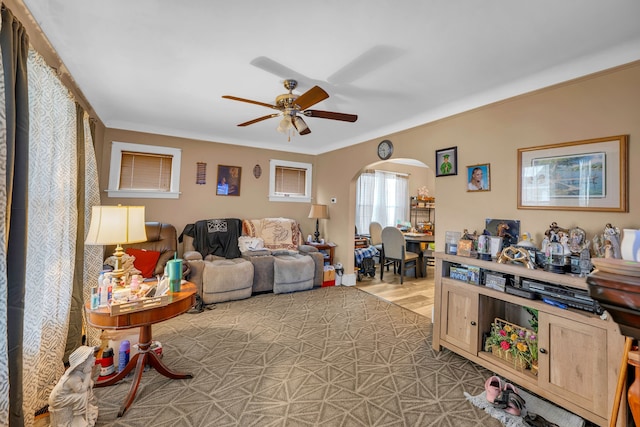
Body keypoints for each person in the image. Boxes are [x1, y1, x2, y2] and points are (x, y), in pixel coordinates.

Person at [48, 345, 99, 427]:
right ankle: (78, 419)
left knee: (85, 391)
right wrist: (88, 373)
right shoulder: (73, 377)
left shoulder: (79, 372)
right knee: (81, 396)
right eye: (91, 359)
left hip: (63, 397)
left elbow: (88, 383)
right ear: (82, 363)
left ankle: (88, 410)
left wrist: (87, 376)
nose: (94, 359)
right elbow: (82, 389)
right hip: (57, 400)